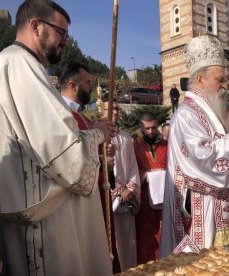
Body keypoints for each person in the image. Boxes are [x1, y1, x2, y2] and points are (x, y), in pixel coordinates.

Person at [0, 1, 115, 275]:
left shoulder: (10, 63)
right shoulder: (19, 65)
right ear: (36, 26)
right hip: (36, 226)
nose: (66, 41)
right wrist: (99, 134)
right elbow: (64, 152)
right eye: (61, 32)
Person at [159, 35, 229, 257]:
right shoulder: (186, 115)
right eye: (220, 80)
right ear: (200, 79)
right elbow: (204, 157)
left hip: (227, 211)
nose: (225, 85)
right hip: (203, 210)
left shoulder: (213, 111)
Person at [59, 61, 122, 273]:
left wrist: (105, 158)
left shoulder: (83, 117)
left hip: (94, 198)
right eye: (87, 83)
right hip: (76, 205)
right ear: (73, 85)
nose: (91, 87)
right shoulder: (62, 116)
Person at [104, 102, 141, 271]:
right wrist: (119, 190)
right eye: (111, 108)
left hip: (126, 200)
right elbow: (101, 168)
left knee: (128, 240)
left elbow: (132, 165)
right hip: (108, 199)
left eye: (118, 108)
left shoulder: (126, 136)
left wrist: (131, 189)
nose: (115, 112)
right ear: (101, 110)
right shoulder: (98, 136)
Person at [133, 112, 168, 264]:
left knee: (164, 236)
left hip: (165, 201)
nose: (151, 131)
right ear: (141, 127)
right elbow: (130, 171)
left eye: (154, 127)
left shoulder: (166, 145)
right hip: (144, 202)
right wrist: (146, 175)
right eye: (147, 128)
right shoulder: (134, 145)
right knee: (146, 239)